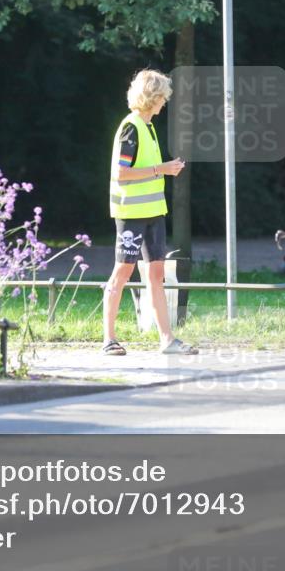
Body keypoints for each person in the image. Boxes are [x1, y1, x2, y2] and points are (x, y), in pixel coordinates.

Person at [102, 70, 197, 356]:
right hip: (131, 213)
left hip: (154, 213)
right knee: (122, 272)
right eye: (163, 96)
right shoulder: (130, 127)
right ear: (152, 97)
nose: (165, 101)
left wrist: (165, 169)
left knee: (157, 275)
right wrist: (161, 169)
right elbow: (121, 173)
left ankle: (167, 340)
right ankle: (109, 339)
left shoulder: (148, 127)